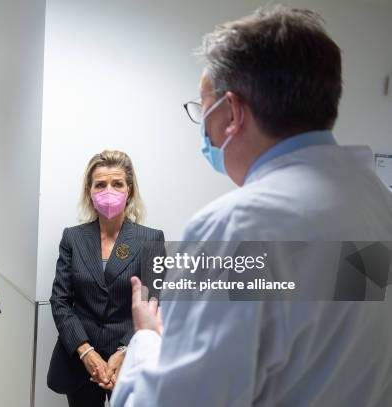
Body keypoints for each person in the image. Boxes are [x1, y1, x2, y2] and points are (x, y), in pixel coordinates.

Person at [112, 6, 392, 407]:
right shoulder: (379, 206)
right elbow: (320, 319)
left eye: (203, 110)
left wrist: (146, 339)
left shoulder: (234, 230)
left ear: (232, 113)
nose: (204, 131)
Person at [48, 150, 165, 407]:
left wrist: (124, 351)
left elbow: (152, 304)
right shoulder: (73, 238)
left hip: (129, 360)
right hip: (80, 360)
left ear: (129, 190)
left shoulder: (152, 239)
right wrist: (86, 351)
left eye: (117, 184)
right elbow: (60, 301)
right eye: (100, 184)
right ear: (89, 191)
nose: (108, 190)